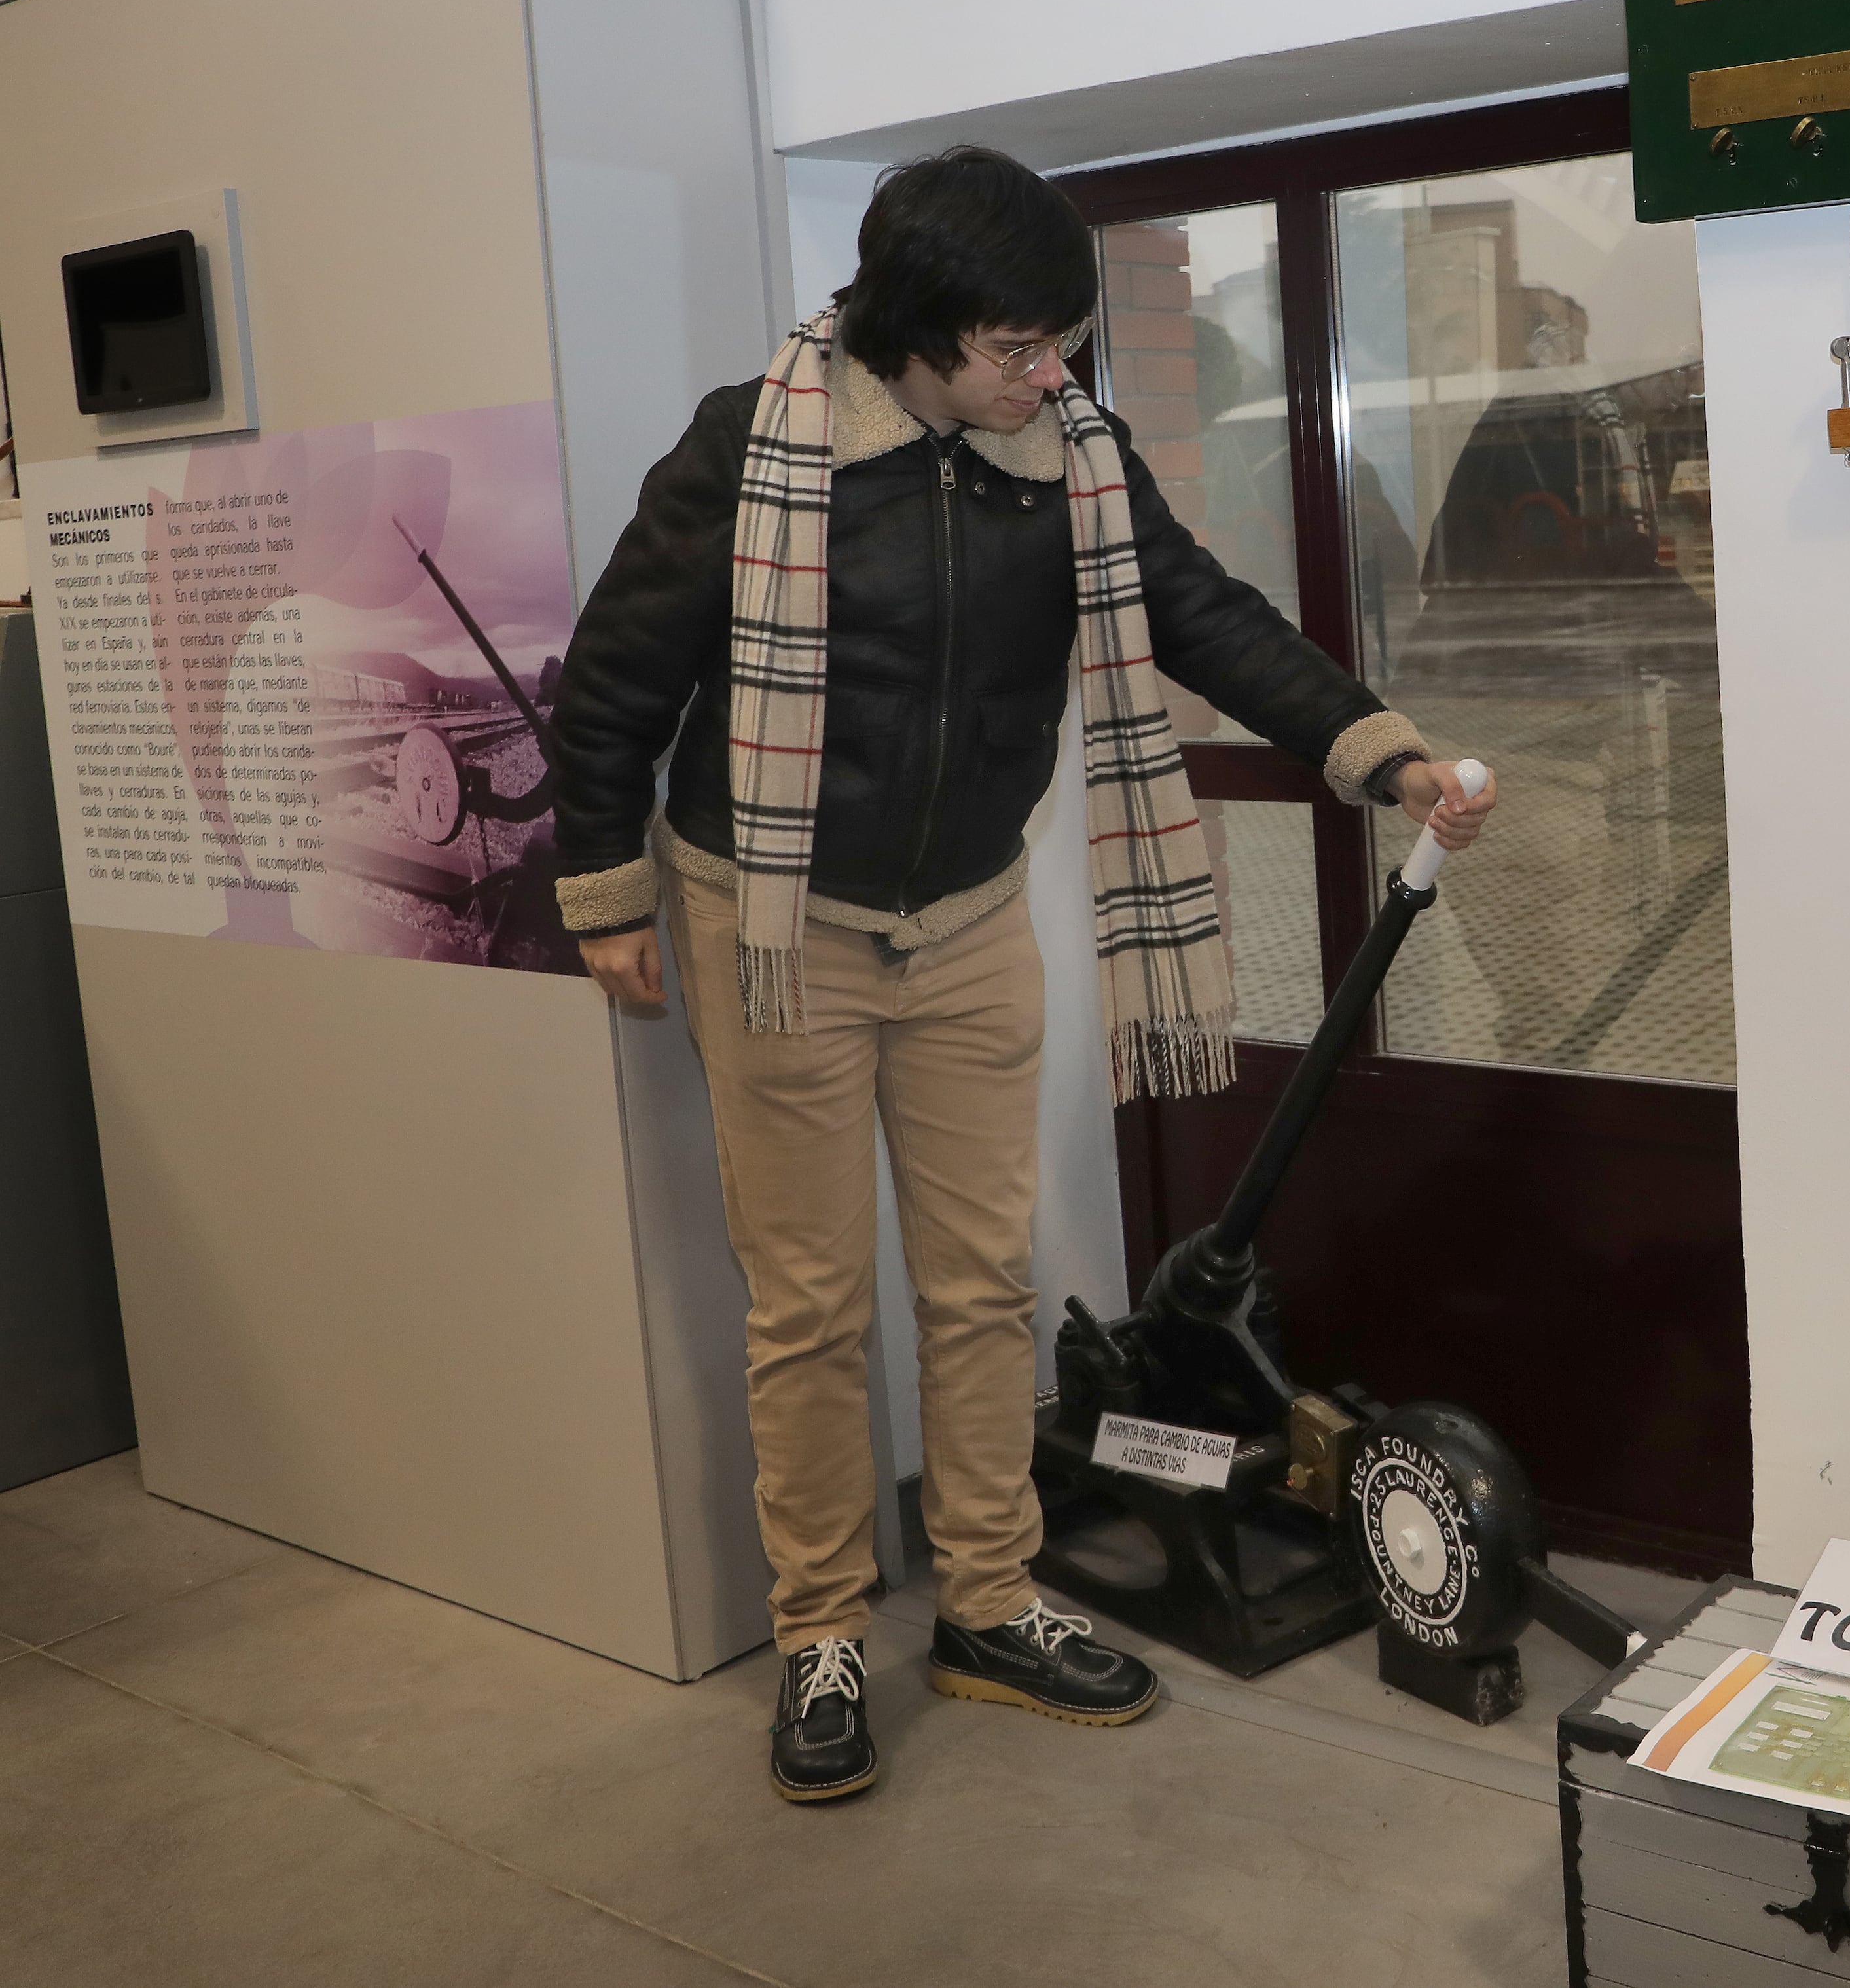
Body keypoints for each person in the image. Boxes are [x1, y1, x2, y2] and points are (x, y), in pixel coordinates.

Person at [549, 147, 1496, 1803]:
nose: (1048, 372)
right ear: (913, 336)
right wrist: (605, 889)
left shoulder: (1068, 453)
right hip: (775, 922)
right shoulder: (752, 447)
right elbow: (619, 671)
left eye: (1060, 341)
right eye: (1015, 347)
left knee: (981, 1283)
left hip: (969, 916)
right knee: (812, 1304)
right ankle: (824, 1630)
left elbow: (1198, 612)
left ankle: (987, 1600)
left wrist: (1375, 749)